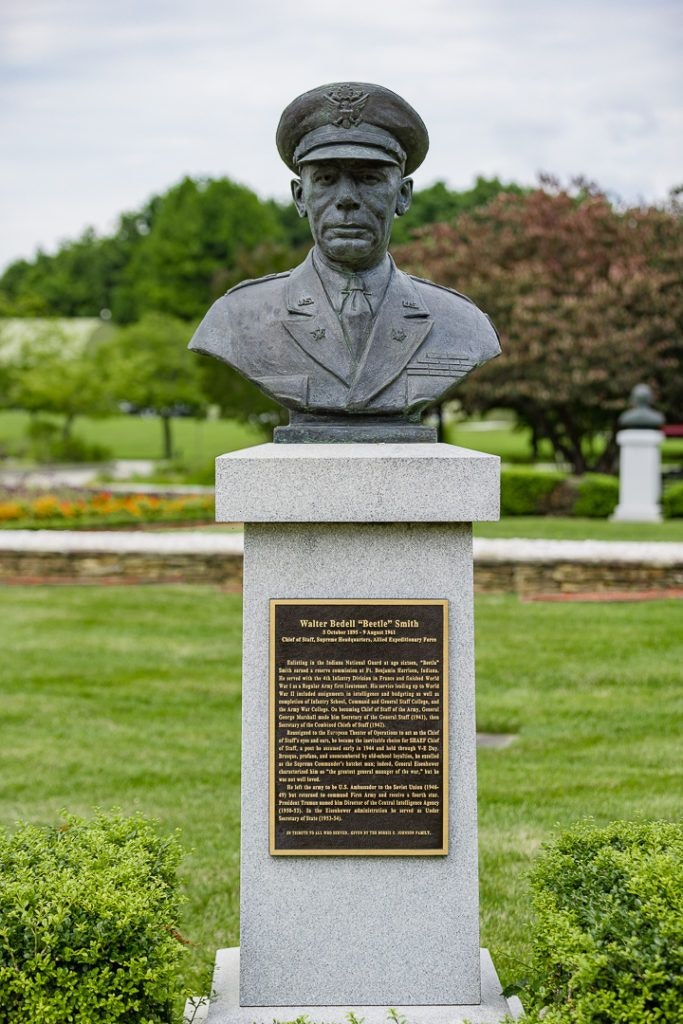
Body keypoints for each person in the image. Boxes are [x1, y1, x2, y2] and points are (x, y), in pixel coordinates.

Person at [189, 82, 500, 441]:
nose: (347, 199)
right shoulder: (236, 317)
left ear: (402, 195)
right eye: (325, 179)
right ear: (300, 196)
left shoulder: (464, 325)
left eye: (369, 178)